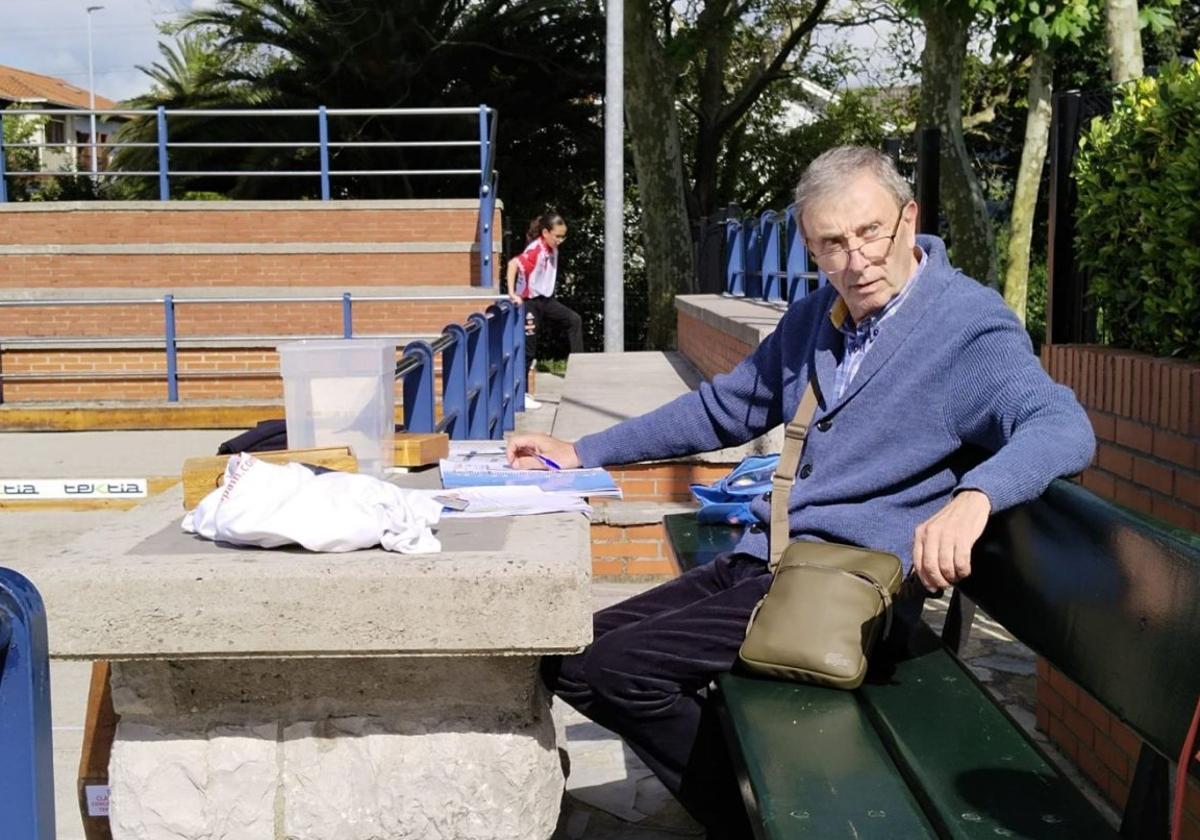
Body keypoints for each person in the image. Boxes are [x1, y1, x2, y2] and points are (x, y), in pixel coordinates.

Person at [506, 146, 1096, 836]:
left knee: (611, 672)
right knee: (570, 654)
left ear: (910, 220)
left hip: (849, 588)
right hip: (774, 559)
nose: (856, 259)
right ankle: (754, 804)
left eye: (869, 231)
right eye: (831, 244)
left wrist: (976, 497)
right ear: (812, 248)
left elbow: (1061, 423)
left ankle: (752, 823)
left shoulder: (967, 326)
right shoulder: (822, 314)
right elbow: (724, 408)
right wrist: (582, 450)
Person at [505, 213, 583, 409]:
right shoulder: (536, 250)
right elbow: (512, 264)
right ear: (545, 232)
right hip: (529, 302)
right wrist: (512, 293)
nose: (560, 241)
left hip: (544, 300)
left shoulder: (551, 247)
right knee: (528, 349)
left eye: (563, 236)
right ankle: (519, 395)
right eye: (557, 236)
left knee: (574, 320)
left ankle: (579, 370)